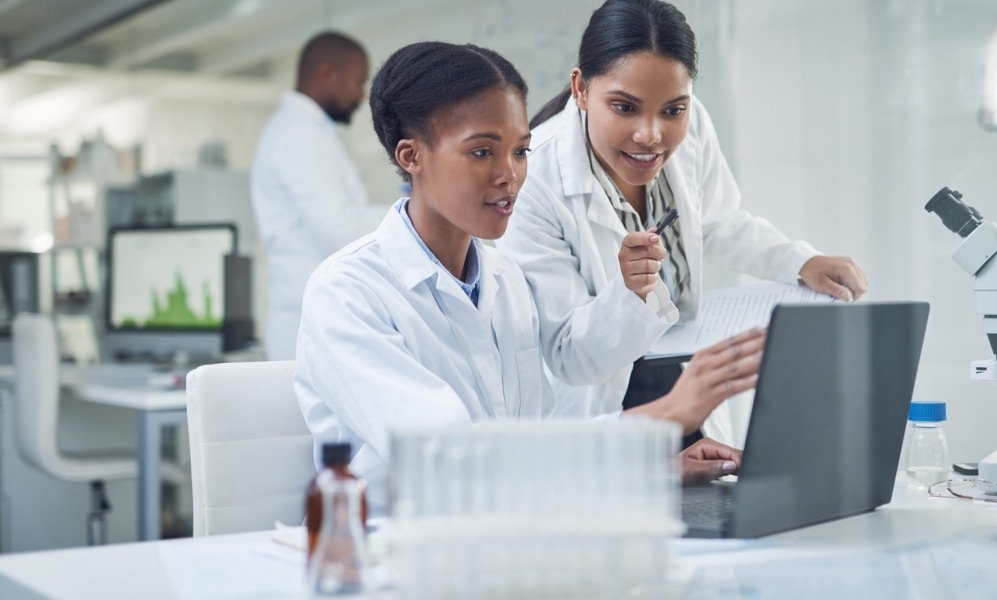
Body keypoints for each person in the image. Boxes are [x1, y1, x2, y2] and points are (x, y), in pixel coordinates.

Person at [294, 40, 765, 517]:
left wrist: (649, 467)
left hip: (507, 536)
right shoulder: (348, 293)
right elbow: (452, 457)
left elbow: (537, 443)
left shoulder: (505, 281)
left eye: (521, 152)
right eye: (482, 152)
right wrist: (662, 416)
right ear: (411, 156)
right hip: (397, 555)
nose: (510, 175)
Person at [496, 0, 869, 422]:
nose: (651, 135)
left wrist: (800, 261)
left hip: (682, 376)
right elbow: (568, 354)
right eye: (624, 107)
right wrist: (630, 292)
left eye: (673, 109)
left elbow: (716, 222)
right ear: (581, 88)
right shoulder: (534, 178)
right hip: (602, 406)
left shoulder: (693, 126)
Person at [251, 31, 387, 360]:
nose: (362, 94)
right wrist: (419, 213)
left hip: (314, 315)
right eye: (358, 82)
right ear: (325, 74)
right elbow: (339, 230)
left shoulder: (307, 131)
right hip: (306, 321)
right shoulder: (299, 134)